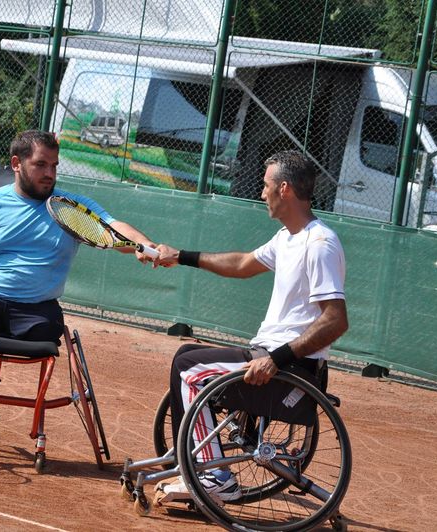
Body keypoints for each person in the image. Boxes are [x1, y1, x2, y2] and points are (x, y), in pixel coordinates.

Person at [153, 150, 348, 502]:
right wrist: (180, 256)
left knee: (188, 369)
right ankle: (195, 461)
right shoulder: (288, 238)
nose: (262, 193)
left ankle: (214, 479)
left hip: (289, 371)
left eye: (266, 186)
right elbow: (242, 263)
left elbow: (335, 320)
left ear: (284, 189)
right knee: (186, 354)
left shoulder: (320, 244)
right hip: (272, 358)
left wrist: (276, 359)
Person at [0, 129, 156, 344]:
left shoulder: (71, 209)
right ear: (16, 164)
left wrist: (143, 245)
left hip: (37, 313)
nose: (49, 173)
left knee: (48, 328)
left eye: (54, 165)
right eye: (40, 164)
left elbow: (112, 227)